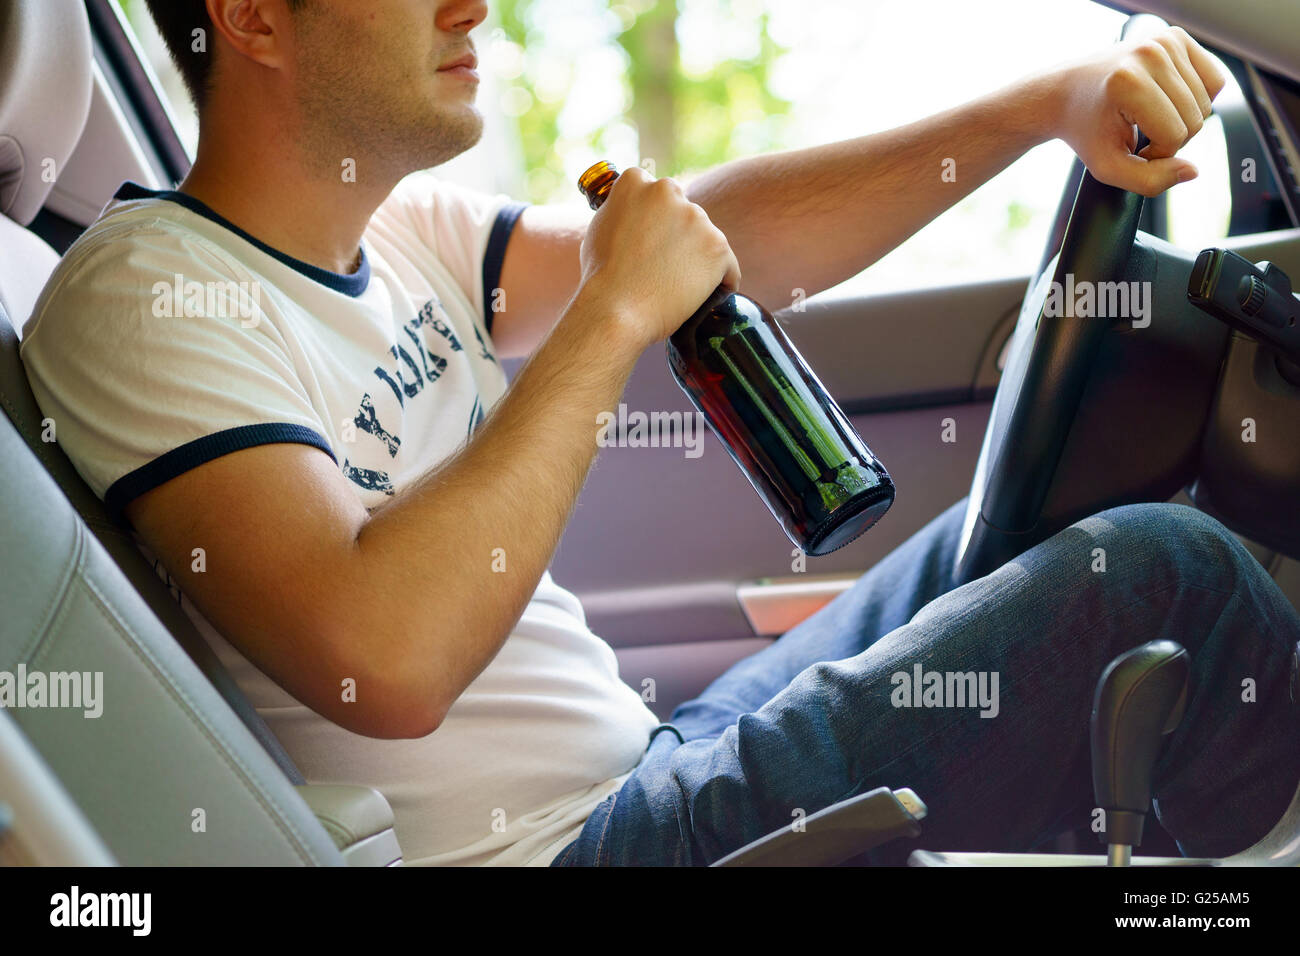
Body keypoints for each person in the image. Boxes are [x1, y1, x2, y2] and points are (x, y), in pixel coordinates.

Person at [20, 0, 1299, 865]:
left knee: (1052, 529)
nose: (470, 2)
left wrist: (1036, 109)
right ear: (250, 18)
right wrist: (612, 312)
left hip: (659, 755)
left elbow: (717, 244)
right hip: (574, 849)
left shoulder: (392, 233)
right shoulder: (141, 295)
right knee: (1153, 581)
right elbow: (385, 656)